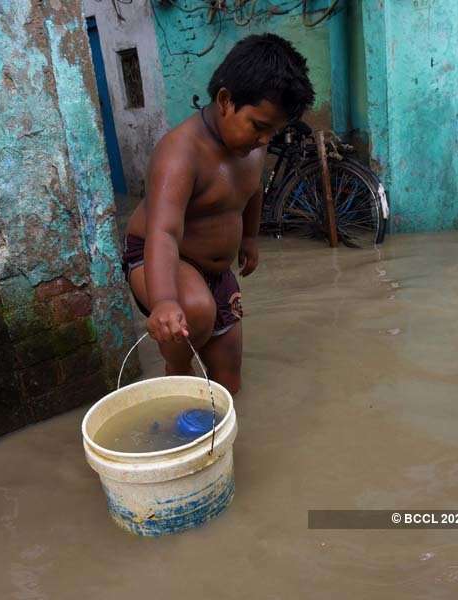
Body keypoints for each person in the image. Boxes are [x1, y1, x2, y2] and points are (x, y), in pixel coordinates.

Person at [121, 33, 315, 394]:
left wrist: (249, 238)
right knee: (194, 307)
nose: (264, 140)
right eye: (259, 126)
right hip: (158, 257)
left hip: (214, 269)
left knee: (229, 382)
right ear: (225, 100)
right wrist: (164, 301)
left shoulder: (253, 149)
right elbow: (162, 233)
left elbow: (253, 190)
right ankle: (177, 367)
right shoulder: (180, 153)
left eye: (273, 132)